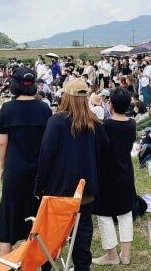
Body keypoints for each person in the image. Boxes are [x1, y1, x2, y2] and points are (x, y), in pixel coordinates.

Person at [35, 77, 109, 271]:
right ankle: (82, 267)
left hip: (59, 191)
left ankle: (48, 267)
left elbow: (45, 157)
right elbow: (105, 152)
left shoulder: (57, 121)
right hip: (85, 191)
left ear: (66, 97)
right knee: (82, 233)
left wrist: (39, 187)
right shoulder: (95, 123)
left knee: (51, 234)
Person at [0, 67, 53, 255]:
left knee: (9, 216)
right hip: (39, 171)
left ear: (14, 85)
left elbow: (3, 142)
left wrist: (2, 166)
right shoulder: (44, 108)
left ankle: (6, 262)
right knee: (37, 215)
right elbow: (48, 142)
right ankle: (35, 257)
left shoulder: (7, 109)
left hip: (15, 169)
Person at [92, 88, 136, 266]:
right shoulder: (131, 124)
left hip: (107, 176)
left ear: (110, 104)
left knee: (104, 214)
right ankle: (125, 255)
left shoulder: (105, 127)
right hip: (125, 173)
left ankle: (112, 255)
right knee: (125, 212)